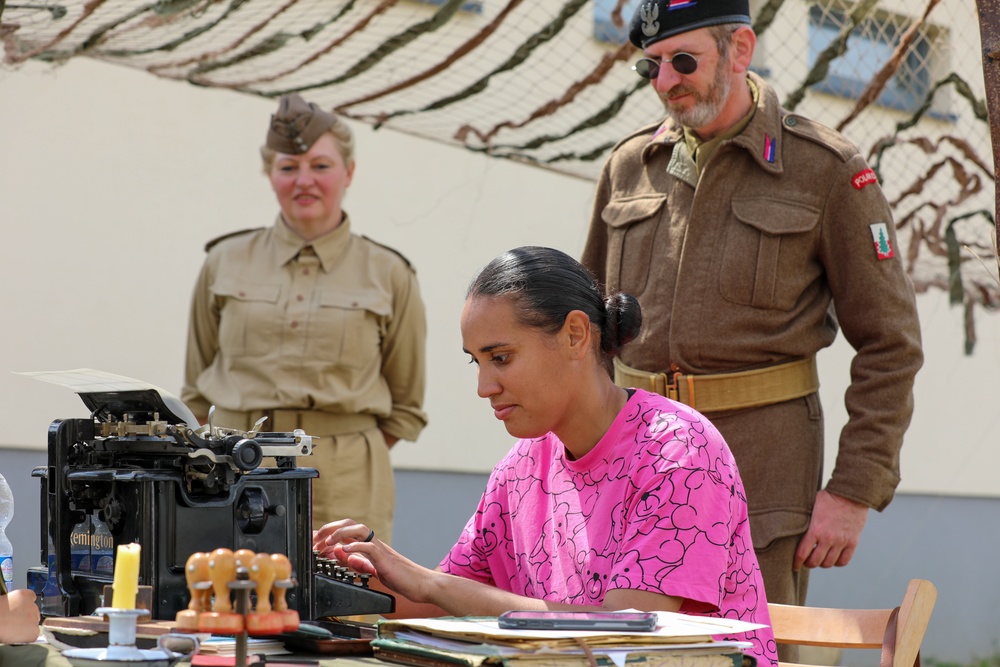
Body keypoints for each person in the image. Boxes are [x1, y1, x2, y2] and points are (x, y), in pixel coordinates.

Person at [580, 0, 923, 620]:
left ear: (741, 49)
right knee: (620, 646)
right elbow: (585, 333)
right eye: (650, 66)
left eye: (684, 60)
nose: (664, 82)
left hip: (759, 472)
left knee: (752, 649)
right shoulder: (629, 166)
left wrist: (853, 490)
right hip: (633, 462)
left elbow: (890, 344)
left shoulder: (824, 171)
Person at [315, 246, 777, 667]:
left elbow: (626, 634)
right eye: (477, 361)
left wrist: (431, 584)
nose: (484, 387)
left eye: (501, 357)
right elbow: (442, 599)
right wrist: (338, 574)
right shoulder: (522, 466)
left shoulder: (678, 449)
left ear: (576, 334)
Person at [182, 93, 428, 544]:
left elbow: (405, 406)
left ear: (349, 172)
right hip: (233, 463)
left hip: (346, 476)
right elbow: (197, 390)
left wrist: (339, 447)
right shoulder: (224, 261)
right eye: (288, 167)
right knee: (223, 598)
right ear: (270, 174)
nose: (304, 181)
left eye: (321, 166)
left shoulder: (390, 273)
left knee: (343, 605)